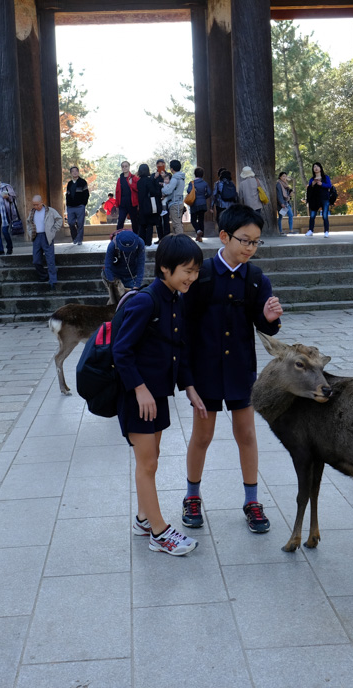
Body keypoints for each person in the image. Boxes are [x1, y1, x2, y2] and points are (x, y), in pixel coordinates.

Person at [182, 205, 283, 535]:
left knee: (247, 434)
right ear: (223, 237)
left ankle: (252, 501)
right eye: (245, 241)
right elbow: (183, 327)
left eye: (256, 242)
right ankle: (192, 496)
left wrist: (270, 319)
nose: (250, 248)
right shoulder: (201, 275)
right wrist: (187, 380)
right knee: (203, 436)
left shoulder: (256, 279)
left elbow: (264, 324)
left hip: (240, 369)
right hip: (205, 371)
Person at [113, 233, 207, 556]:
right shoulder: (145, 301)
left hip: (158, 396)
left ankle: (143, 519)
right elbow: (120, 350)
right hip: (139, 396)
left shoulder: (175, 300)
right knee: (147, 463)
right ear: (165, 268)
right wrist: (139, 389)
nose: (192, 278)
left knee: (151, 460)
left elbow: (177, 348)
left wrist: (190, 388)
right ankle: (159, 531)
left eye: (196, 272)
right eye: (187, 271)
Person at [27, 194, 63, 286]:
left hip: (47, 236)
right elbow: (28, 223)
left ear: (42, 203)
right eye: (34, 205)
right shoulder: (32, 212)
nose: (35, 206)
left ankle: (53, 280)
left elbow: (59, 219)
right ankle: (43, 276)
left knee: (50, 259)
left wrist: (54, 230)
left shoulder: (50, 211)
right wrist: (30, 232)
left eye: (37, 204)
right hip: (36, 236)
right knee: (36, 260)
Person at [135, 163, 161, 246]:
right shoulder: (148, 180)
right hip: (149, 205)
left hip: (141, 204)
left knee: (142, 224)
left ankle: (141, 242)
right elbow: (153, 191)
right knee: (149, 224)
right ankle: (148, 242)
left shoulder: (138, 182)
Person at [305, 161, 332, 237]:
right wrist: (312, 184)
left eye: (317, 166)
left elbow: (329, 186)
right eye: (314, 167)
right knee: (312, 215)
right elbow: (309, 189)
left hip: (324, 198)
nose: (316, 168)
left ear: (320, 168)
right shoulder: (312, 179)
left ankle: (326, 231)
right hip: (315, 199)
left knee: (325, 215)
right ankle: (310, 230)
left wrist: (322, 184)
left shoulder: (325, 177)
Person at [65, 165, 90, 245]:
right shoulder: (69, 183)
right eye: (73, 171)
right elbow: (67, 195)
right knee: (70, 222)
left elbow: (86, 194)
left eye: (76, 171)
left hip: (80, 206)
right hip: (70, 207)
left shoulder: (82, 182)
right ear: (71, 173)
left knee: (80, 223)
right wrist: (67, 205)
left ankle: (79, 240)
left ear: (78, 172)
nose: (74, 173)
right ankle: (75, 237)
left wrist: (83, 204)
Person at [161, 159, 187, 237]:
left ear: (172, 168)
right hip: (180, 202)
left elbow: (168, 190)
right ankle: (178, 241)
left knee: (176, 224)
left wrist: (162, 189)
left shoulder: (175, 178)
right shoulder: (181, 177)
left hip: (174, 203)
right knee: (178, 223)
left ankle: (181, 242)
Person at [115, 161, 139, 232]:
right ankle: (118, 237)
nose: (124, 168)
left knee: (134, 222)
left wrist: (131, 184)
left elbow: (138, 189)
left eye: (126, 166)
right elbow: (117, 192)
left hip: (132, 203)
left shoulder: (134, 178)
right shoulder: (119, 179)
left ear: (129, 167)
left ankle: (136, 238)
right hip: (122, 204)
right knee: (120, 221)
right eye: (123, 166)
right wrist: (117, 205)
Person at [188, 167, 210, 243]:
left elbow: (188, 191)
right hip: (203, 204)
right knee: (201, 220)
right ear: (202, 175)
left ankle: (198, 230)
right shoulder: (205, 183)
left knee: (193, 220)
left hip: (194, 203)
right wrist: (204, 197)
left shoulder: (192, 183)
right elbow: (209, 193)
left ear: (195, 174)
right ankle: (200, 237)